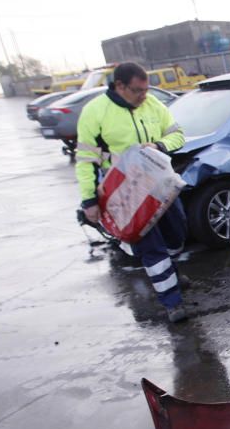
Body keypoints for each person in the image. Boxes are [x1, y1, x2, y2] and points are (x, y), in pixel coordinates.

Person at [75, 62, 189, 322]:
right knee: (151, 246)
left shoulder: (152, 105)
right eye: (138, 91)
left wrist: (159, 145)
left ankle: (172, 272)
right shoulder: (95, 112)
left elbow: (178, 135)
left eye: (146, 89)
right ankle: (172, 302)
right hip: (124, 193)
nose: (144, 96)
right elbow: (85, 162)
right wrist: (90, 200)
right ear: (120, 87)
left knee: (177, 233)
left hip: (161, 185)